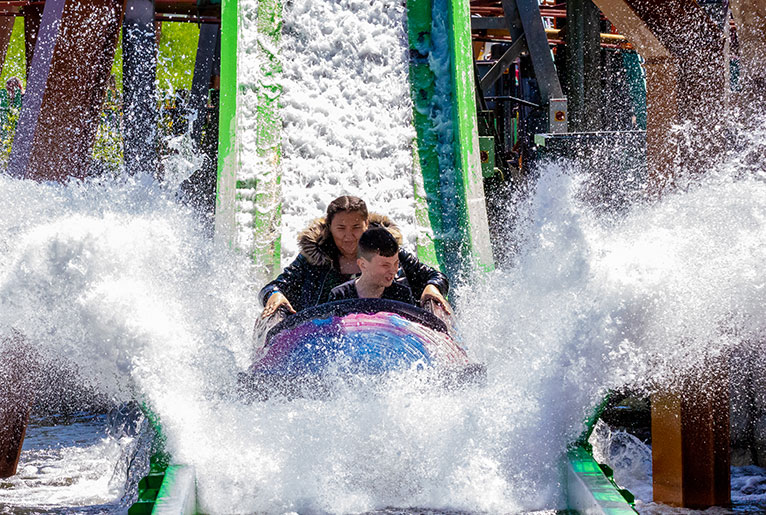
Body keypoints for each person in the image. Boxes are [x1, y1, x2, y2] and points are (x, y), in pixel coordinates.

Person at [259, 195, 450, 317]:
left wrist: (433, 287)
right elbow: (274, 287)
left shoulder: (388, 254)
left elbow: (435, 277)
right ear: (329, 227)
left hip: (391, 338)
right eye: (341, 228)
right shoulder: (313, 260)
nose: (349, 236)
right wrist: (274, 295)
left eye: (357, 227)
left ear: (367, 225)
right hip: (328, 339)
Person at [328, 227, 415, 304]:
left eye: (396, 263)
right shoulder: (340, 296)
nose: (394, 270)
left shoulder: (402, 295)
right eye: (385, 265)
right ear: (363, 265)